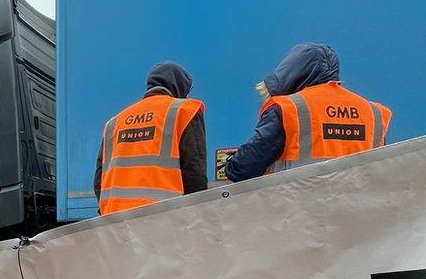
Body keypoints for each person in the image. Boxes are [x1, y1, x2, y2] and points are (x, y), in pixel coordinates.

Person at [226, 43, 391, 181]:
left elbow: (242, 170)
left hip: (300, 213)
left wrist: (233, 161)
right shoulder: (374, 112)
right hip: (361, 213)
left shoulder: (288, 109)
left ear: (290, 73)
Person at [94, 61, 207, 215]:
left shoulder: (114, 123)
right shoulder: (184, 111)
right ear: (180, 87)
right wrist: (196, 214)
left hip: (116, 222)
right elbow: (194, 171)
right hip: (165, 219)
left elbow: (99, 180)